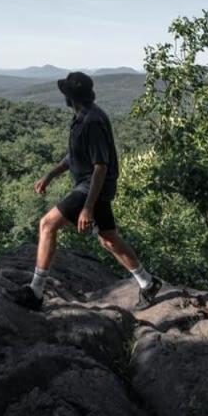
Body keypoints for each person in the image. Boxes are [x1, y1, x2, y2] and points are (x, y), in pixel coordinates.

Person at [9, 71, 162, 310]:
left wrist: (88, 207)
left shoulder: (92, 121)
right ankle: (147, 282)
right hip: (92, 187)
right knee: (108, 239)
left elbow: (100, 166)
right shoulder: (83, 116)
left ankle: (35, 291)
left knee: (47, 224)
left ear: (71, 97)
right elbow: (75, 155)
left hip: (92, 187)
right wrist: (50, 174)